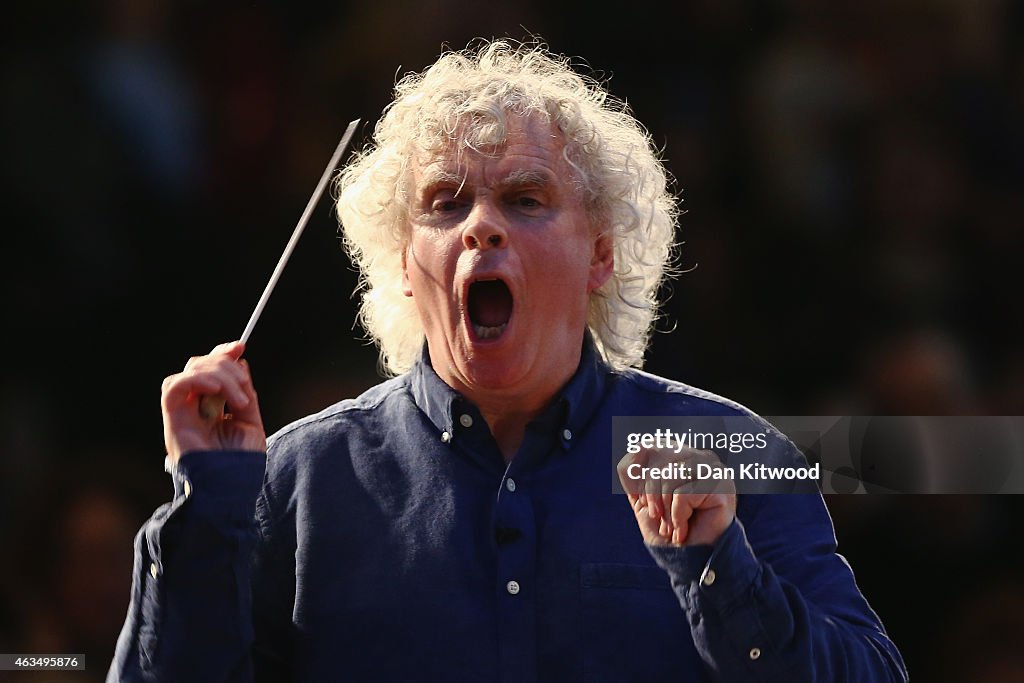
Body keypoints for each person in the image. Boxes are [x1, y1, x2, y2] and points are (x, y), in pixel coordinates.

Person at [108, 41, 906, 682]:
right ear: (401, 263)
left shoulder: (730, 450)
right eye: (445, 203)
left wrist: (721, 570)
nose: (480, 227)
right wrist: (205, 506)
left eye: (524, 200)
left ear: (600, 254)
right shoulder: (291, 481)